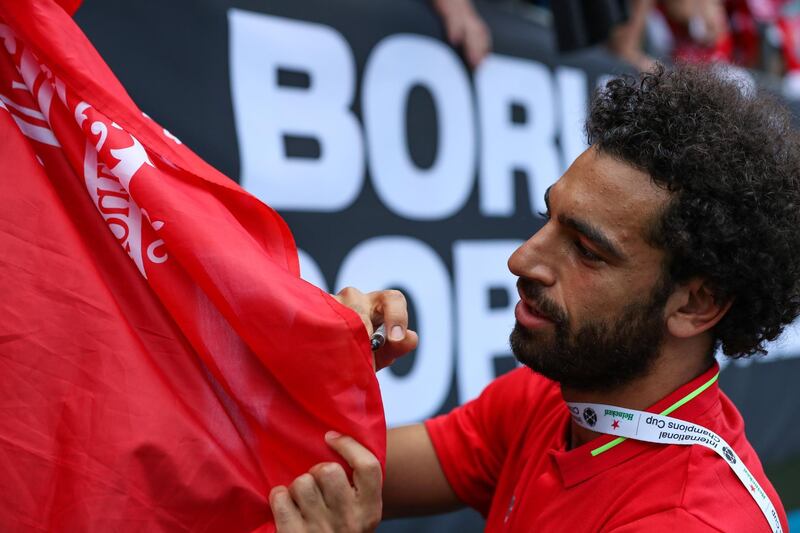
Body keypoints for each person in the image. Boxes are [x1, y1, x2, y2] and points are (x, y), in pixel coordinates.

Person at [268, 64, 800, 532]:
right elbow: (321, 475)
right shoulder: (556, 398)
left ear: (695, 305)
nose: (522, 260)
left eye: (587, 250)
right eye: (548, 219)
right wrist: (335, 371)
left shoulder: (691, 521)